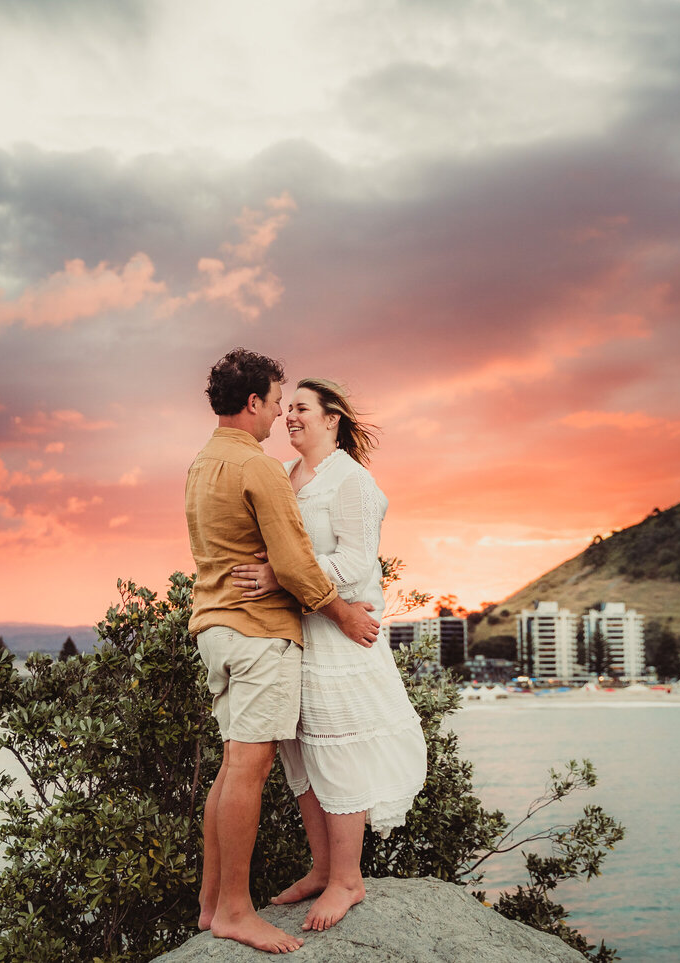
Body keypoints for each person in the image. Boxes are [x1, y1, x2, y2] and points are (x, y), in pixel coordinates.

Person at [185, 349, 381, 954]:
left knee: (230, 767)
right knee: (250, 767)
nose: (278, 414)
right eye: (275, 401)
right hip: (257, 634)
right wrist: (345, 611)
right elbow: (294, 563)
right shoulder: (261, 468)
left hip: (215, 630)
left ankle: (211, 903)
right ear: (252, 402)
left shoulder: (200, 464)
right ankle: (236, 911)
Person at [231, 378, 427, 932]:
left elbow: (358, 563)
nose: (289, 416)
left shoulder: (352, 481)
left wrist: (280, 578)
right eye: (286, 408)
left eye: (301, 409)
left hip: (343, 638)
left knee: (338, 750)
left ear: (332, 418)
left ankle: (348, 879)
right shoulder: (291, 477)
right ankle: (322, 869)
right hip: (299, 634)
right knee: (304, 754)